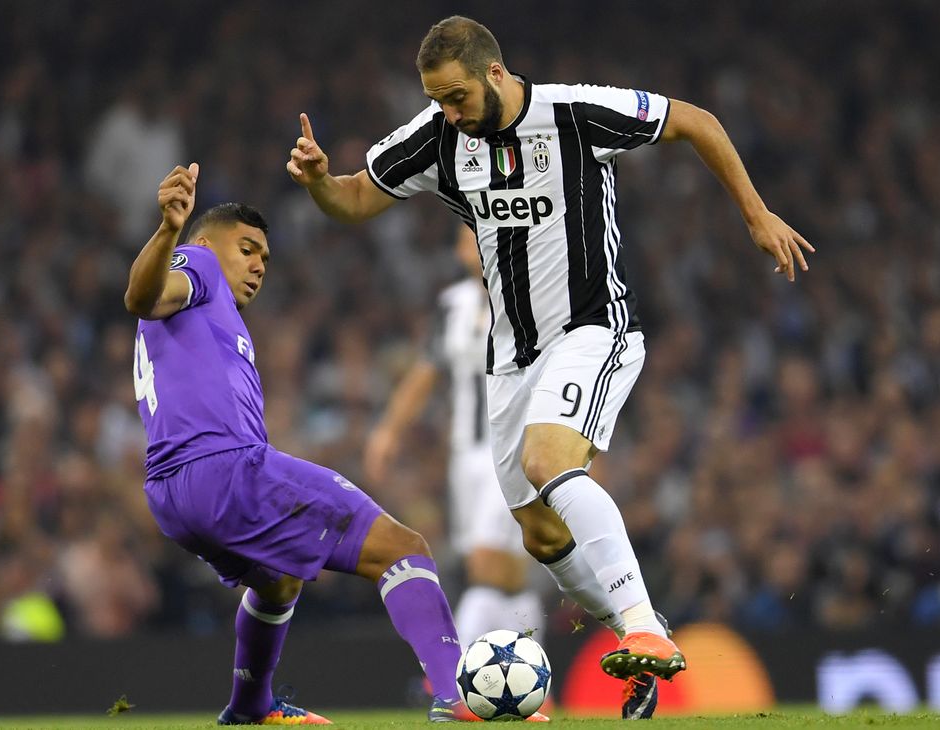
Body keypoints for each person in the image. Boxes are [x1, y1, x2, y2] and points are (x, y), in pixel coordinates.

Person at [288, 15, 814, 720]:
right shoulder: (440, 138)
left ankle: (647, 630)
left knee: (547, 458)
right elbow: (355, 198)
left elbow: (695, 121)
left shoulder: (573, 113)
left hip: (592, 328)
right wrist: (322, 180)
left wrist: (755, 215)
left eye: (456, 96)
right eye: (436, 99)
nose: (448, 112)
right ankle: (635, 639)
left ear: (494, 74)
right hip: (509, 359)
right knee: (539, 534)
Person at [124, 163, 548, 723]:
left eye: (265, 259)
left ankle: (250, 707)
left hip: (172, 495)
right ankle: (454, 693)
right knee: (403, 547)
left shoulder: (203, 314)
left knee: (277, 581)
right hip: (224, 470)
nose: (257, 266)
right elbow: (143, 296)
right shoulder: (194, 261)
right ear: (206, 242)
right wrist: (167, 231)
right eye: (247, 249)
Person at [364, 223, 544, 650]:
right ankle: (533, 674)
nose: (470, 242)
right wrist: (388, 432)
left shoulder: (531, 299)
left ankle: (454, 669)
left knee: (485, 561)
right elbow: (425, 374)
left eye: (478, 234)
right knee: (505, 571)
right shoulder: (453, 305)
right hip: (466, 453)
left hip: (513, 449)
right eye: (465, 235)